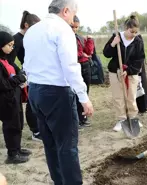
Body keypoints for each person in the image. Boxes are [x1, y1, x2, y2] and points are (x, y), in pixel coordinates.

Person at [23, 0, 94, 184]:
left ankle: (59, 181)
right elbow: (70, 67)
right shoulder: (62, 30)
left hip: (35, 91)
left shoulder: (32, 30)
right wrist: (84, 98)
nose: (73, 19)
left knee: (51, 144)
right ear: (65, 11)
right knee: (67, 146)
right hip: (57, 93)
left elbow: (27, 64)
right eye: (73, 13)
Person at [103, 15, 145, 132]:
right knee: (118, 96)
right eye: (132, 31)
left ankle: (132, 117)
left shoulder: (138, 40)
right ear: (126, 28)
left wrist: (129, 70)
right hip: (115, 72)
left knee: (131, 95)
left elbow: (140, 59)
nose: (134, 34)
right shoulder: (116, 37)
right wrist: (113, 44)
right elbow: (106, 53)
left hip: (131, 73)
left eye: (136, 32)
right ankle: (121, 119)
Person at [7, 10, 41, 141]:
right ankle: (35, 131)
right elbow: (8, 61)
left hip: (34, 73)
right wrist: (21, 73)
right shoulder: (16, 39)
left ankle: (38, 128)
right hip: (25, 75)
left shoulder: (29, 38)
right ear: (26, 25)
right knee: (31, 103)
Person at [0, 31, 31, 164]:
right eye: (9, 45)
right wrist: (20, 79)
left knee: (18, 122)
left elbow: (18, 71)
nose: (11, 48)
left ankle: (17, 149)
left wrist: (21, 76)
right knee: (11, 125)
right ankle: (12, 154)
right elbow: (4, 84)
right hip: (5, 100)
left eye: (13, 45)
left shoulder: (6, 59)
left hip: (15, 98)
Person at [71, 15, 94, 127]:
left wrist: (90, 40)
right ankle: (76, 119)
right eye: (72, 27)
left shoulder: (80, 38)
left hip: (85, 66)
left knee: (85, 91)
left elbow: (89, 52)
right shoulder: (65, 38)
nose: (74, 29)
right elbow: (71, 54)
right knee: (75, 94)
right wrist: (81, 54)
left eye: (76, 27)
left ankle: (83, 117)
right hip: (75, 67)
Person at [136, 34, 147, 116]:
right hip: (134, 66)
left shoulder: (137, 38)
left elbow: (140, 55)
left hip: (138, 66)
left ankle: (143, 106)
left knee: (141, 85)